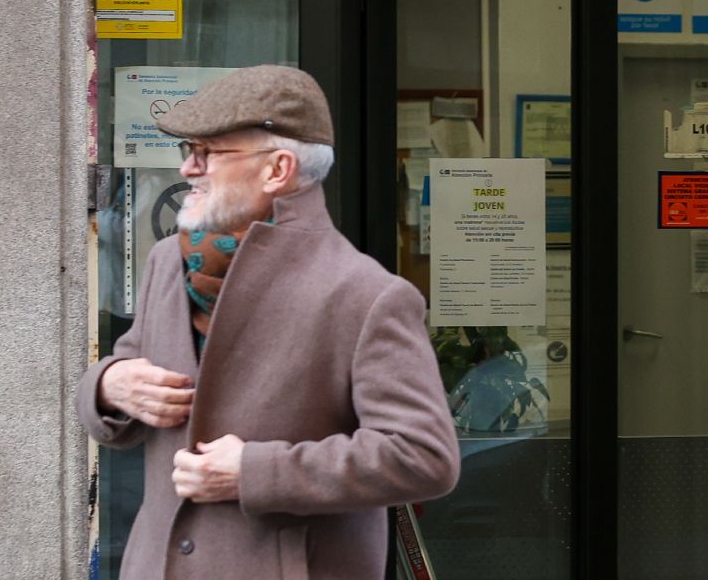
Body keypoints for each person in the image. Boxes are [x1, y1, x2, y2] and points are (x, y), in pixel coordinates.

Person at [75, 65, 460, 580]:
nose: (189, 169)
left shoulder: (367, 294)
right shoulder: (168, 261)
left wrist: (255, 472)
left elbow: (423, 456)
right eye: (189, 151)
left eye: (208, 153)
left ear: (277, 169)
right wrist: (109, 385)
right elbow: (131, 363)